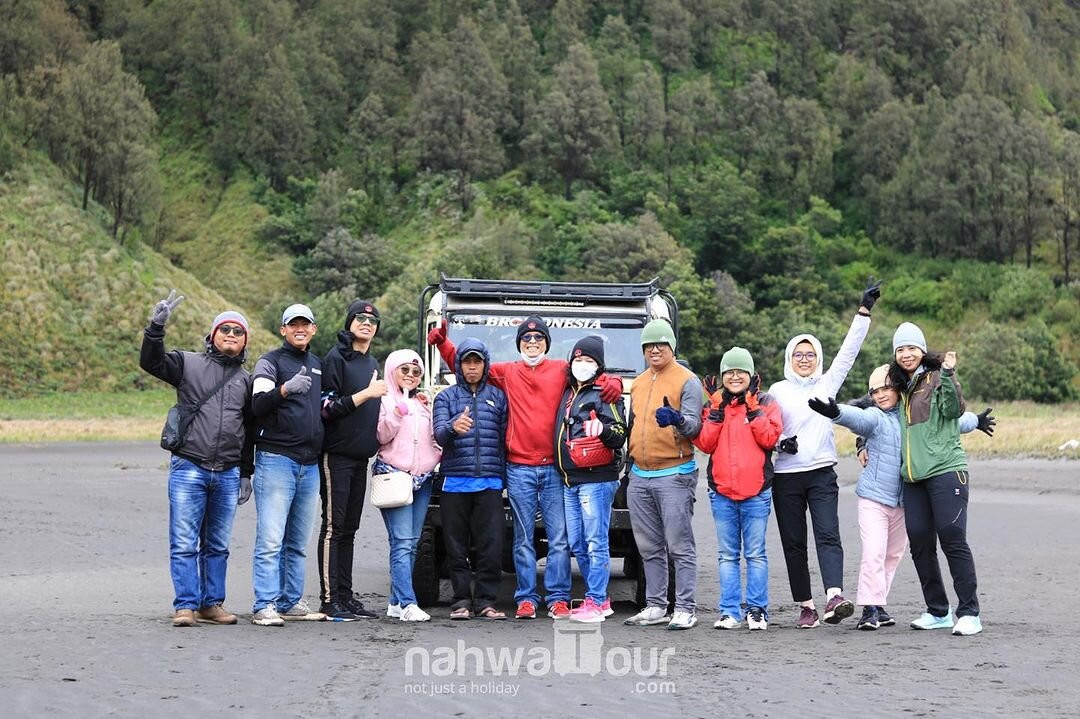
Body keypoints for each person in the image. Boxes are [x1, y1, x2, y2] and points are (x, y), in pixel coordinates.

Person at [429, 317, 621, 620]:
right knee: (523, 538)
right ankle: (527, 598)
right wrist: (442, 342)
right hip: (518, 467)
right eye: (527, 340)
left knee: (559, 538)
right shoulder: (507, 372)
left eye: (538, 340)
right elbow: (467, 364)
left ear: (547, 343)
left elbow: (590, 373)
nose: (532, 344)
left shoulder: (560, 369)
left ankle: (558, 597)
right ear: (519, 344)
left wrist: (612, 381)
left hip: (556, 468)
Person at [809, 364, 994, 631]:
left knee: (892, 556)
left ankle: (879, 605)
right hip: (874, 497)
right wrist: (836, 412)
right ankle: (869, 608)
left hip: (905, 499)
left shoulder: (913, 415)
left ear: (897, 388)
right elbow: (859, 419)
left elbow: (951, 421)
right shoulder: (875, 416)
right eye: (874, 391)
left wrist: (976, 420)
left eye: (885, 388)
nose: (880, 394)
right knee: (873, 552)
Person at [767, 279, 880, 628]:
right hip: (785, 476)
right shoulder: (777, 391)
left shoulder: (827, 384)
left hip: (821, 473)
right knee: (794, 543)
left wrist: (863, 312)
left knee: (828, 534)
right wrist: (778, 443)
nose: (804, 359)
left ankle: (835, 596)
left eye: (810, 354)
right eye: (798, 355)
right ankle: (806, 606)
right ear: (789, 358)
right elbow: (764, 429)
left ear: (818, 358)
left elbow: (848, 352)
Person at [139, 290, 254, 628]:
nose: (231, 335)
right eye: (225, 330)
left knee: (218, 544)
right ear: (212, 336)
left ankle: (211, 603)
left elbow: (249, 430)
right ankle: (185, 605)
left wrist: (246, 473)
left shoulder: (247, 381)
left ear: (244, 341)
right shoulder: (187, 363)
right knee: (185, 541)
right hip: (189, 465)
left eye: (237, 331)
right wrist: (155, 328)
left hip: (229, 471)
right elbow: (152, 362)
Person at [889, 322, 984, 636]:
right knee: (919, 542)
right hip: (913, 477)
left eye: (912, 348)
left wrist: (948, 374)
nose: (906, 354)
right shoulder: (900, 386)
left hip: (946, 470)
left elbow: (954, 409)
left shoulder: (934, 378)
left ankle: (969, 613)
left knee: (952, 537)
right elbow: (874, 412)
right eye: (900, 349)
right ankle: (938, 610)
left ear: (922, 350)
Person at [693, 347, 782, 631]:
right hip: (722, 492)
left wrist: (753, 406)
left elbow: (769, 438)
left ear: (751, 375)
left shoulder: (766, 402)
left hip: (756, 492)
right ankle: (729, 611)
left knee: (755, 554)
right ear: (722, 376)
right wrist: (717, 410)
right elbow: (705, 443)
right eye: (729, 372)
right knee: (727, 555)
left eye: (740, 371)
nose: (734, 376)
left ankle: (757, 610)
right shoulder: (713, 405)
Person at [249, 304, 327, 626]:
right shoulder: (269, 362)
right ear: (283, 329)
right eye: (292, 324)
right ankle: (264, 604)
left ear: (313, 329)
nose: (299, 328)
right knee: (270, 539)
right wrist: (285, 389)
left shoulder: (317, 364)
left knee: (297, 541)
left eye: (305, 324)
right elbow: (257, 405)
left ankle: (291, 600)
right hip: (276, 459)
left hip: (309, 465)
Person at [623, 319, 703, 630]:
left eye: (661, 344)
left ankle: (685, 607)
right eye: (649, 345)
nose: (655, 349)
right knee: (648, 545)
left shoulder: (688, 381)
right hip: (640, 474)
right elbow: (633, 425)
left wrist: (677, 420)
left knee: (679, 545)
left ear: (671, 347)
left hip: (674, 472)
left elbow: (695, 427)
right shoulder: (640, 382)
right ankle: (656, 604)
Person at [317, 300, 386, 620]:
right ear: (349, 323)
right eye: (360, 318)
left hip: (361, 458)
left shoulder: (371, 361)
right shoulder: (335, 358)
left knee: (351, 529)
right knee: (334, 527)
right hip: (337, 455)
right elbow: (326, 408)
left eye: (373, 321)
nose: (367, 323)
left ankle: (346, 595)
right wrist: (366, 394)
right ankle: (330, 599)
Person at [432, 339, 510, 620]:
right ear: (459, 365)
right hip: (455, 481)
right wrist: (453, 428)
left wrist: (504, 480)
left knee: (491, 546)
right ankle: (461, 601)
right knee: (456, 546)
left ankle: (487, 602)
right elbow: (439, 435)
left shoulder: (498, 397)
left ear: (485, 364)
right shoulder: (446, 397)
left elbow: (505, 440)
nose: (472, 367)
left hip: (489, 482)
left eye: (477, 362)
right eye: (467, 362)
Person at [554, 336, 627, 623]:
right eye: (578, 359)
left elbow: (620, 433)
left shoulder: (605, 393)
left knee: (596, 541)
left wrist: (603, 431)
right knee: (578, 543)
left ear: (599, 365)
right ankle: (601, 597)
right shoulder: (568, 390)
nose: (582, 365)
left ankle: (595, 601)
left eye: (589, 361)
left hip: (596, 479)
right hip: (570, 479)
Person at [375, 349, 442, 622]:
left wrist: (437, 453)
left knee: (412, 543)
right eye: (405, 370)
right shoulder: (383, 399)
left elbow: (431, 439)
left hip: (424, 479)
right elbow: (380, 435)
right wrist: (396, 414)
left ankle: (395, 601)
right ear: (392, 370)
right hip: (395, 476)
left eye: (416, 372)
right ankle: (407, 603)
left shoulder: (423, 404)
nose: (411, 376)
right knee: (401, 542)